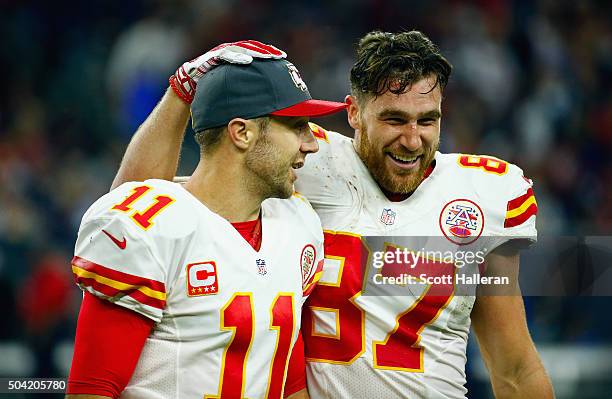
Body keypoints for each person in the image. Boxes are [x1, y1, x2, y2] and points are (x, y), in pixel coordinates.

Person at [110, 32, 554, 398]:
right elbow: (134, 206)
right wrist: (182, 90)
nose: (413, 140)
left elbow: (514, 367)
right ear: (355, 113)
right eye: (395, 120)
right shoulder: (301, 161)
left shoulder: (485, 197)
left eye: (427, 120)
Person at [66, 41, 347, 399]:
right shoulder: (153, 227)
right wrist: (180, 90)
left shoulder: (297, 222)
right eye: (296, 126)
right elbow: (91, 389)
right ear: (241, 132)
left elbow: (285, 375)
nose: (311, 143)